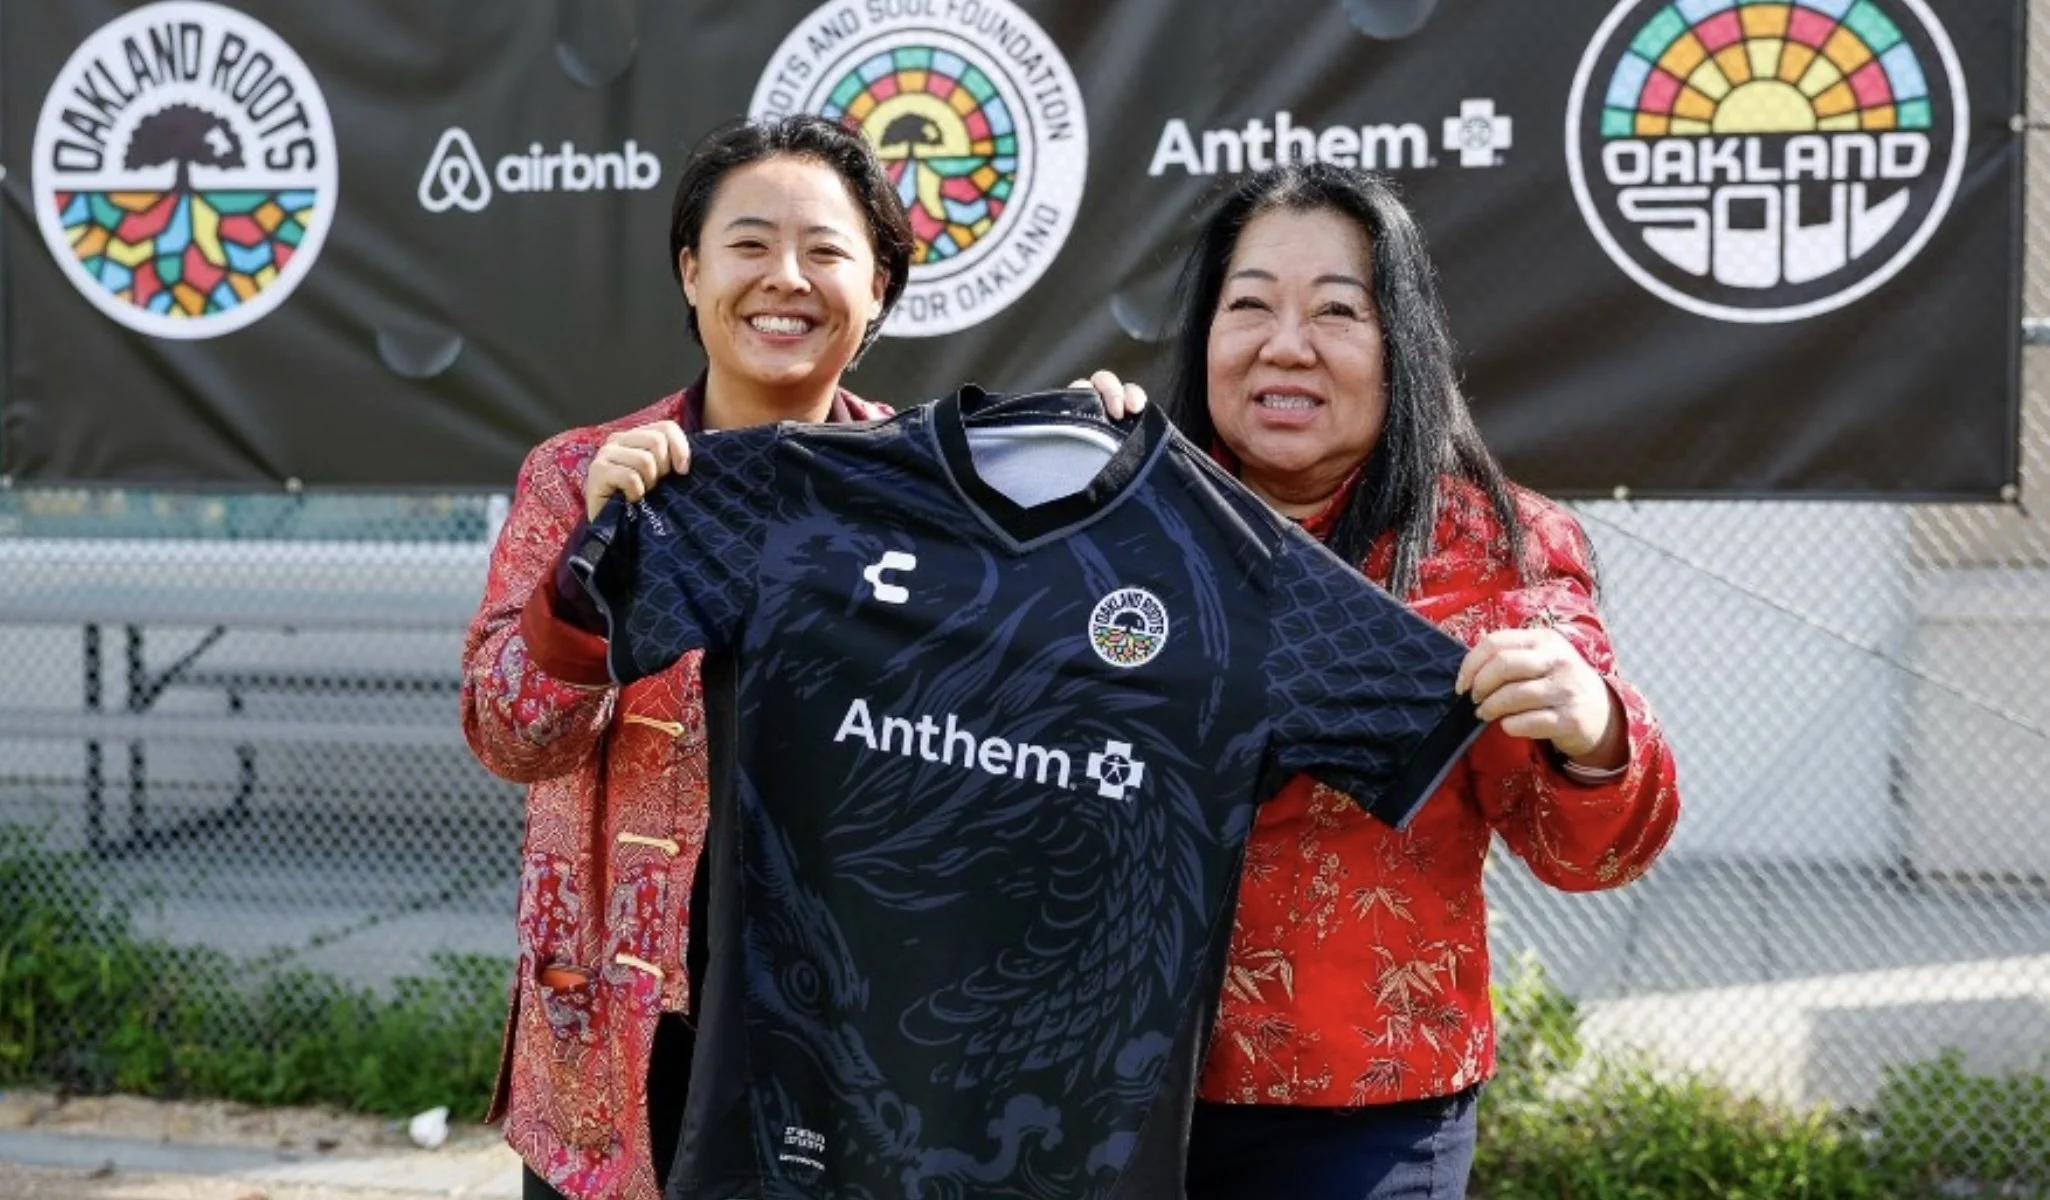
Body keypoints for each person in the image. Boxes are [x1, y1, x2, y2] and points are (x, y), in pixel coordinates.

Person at [460, 114, 1141, 1200]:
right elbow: (510, 735)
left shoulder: (940, 501)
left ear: (878, 289)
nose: (786, 278)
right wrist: (594, 569)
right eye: (747, 244)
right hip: (623, 1045)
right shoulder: (579, 477)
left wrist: (1093, 456)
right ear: (691, 273)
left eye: (826, 251)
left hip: (847, 1037)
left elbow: (1032, 719)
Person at [1155, 163, 1682, 1199]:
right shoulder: (1123, 518)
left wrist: (1595, 733)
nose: (1285, 344)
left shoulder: (1497, 545)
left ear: (1402, 342)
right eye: (1249, 305)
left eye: (1336, 311)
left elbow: (1588, 853)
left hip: (1364, 1113)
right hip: (1107, 1081)